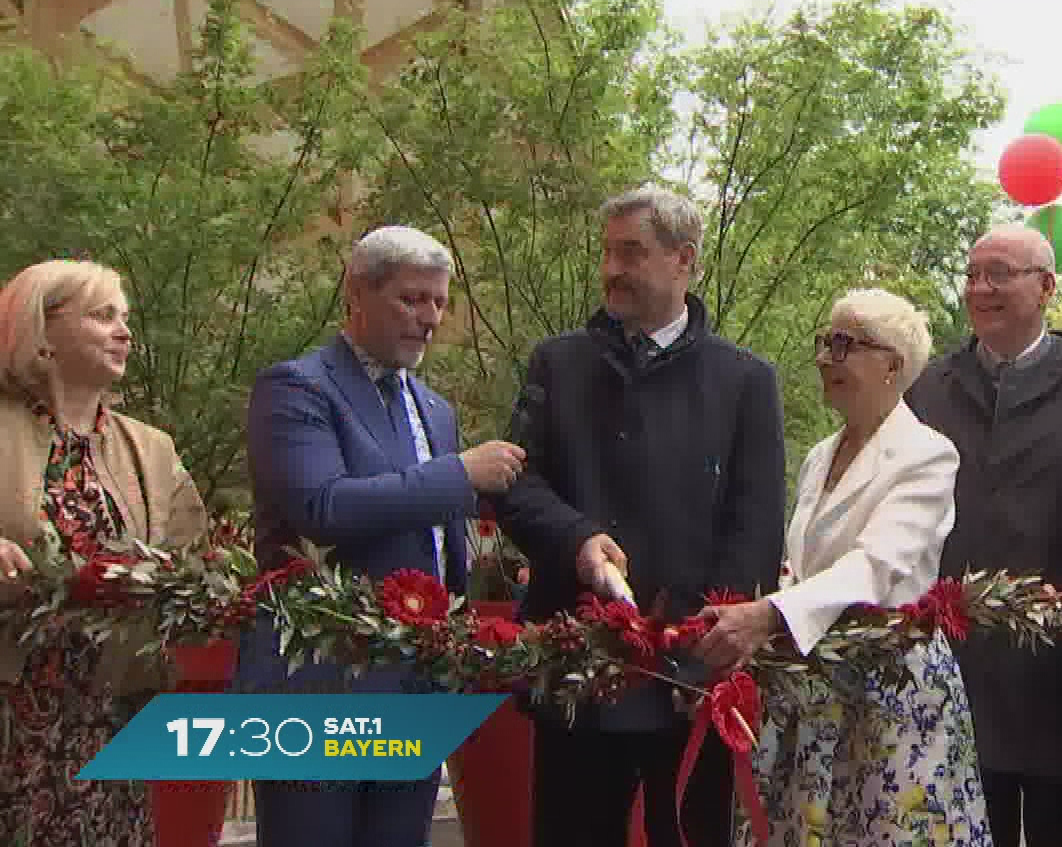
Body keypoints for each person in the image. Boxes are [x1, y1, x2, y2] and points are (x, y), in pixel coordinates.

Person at [493, 185, 787, 847]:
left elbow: (756, 521)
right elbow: (516, 484)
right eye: (606, 253)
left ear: (683, 260)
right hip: (577, 674)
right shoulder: (557, 363)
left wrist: (710, 645)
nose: (611, 271)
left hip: (690, 682)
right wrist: (577, 539)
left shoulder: (745, 380)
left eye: (631, 253)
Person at [238, 225, 525, 847]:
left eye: (439, 303)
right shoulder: (297, 388)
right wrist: (460, 474)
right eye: (411, 299)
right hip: (316, 686)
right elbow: (324, 506)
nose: (429, 318)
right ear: (357, 293)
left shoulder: (436, 410)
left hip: (417, 688)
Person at [694, 288, 992, 845]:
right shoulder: (818, 455)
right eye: (824, 342)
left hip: (891, 692)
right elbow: (802, 565)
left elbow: (877, 565)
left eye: (844, 344)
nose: (824, 358)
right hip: (812, 687)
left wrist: (769, 615)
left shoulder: (927, 453)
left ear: (893, 366)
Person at [904, 223, 1062, 847]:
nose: (981, 288)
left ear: (1047, 286)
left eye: (1000, 273)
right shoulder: (925, 390)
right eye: (973, 274)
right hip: (956, 675)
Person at [0, 259, 209, 846]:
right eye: (102, 316)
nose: (124, 332)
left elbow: (196, 560)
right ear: (41, 332)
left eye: (125, 318)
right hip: (16, 704)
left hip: (112, 705)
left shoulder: (152, 448)